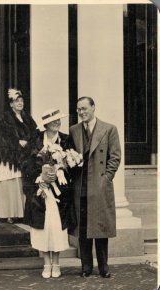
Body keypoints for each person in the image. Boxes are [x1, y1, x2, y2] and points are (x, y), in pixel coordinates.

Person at [69, 96, 121, 278]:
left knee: (100, 228)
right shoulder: (73, 131)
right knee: (83, 229)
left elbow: (115, 157)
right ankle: (86, 266)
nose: (81, 112)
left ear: (93, 107)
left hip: (99, 186)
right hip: (80, 187)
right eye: (78, 109)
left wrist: (106, 178)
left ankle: (104, 266)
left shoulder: (109, 129)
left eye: (84, 108)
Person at [22, 108, 77, 279]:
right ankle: (47, 263)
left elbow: (73, 163)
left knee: (57, 227)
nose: (57, 123)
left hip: (59, 193)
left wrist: (61, 170)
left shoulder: (66, 140)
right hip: (41, 192)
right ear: (45, 124)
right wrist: (41, 175)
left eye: (58, 120)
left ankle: (57, 263)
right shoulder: (35, 141)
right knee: (42, 228)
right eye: (53, 121)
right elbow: (25, 165)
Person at [0, 88, 37, 224]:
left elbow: (34, 133)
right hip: (10, 157)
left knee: (21, 185)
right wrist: (17, 142)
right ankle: (9, 214)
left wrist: (29, 142)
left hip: (24, 155)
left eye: (21, 100)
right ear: (11, 104)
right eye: (16, 101)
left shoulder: (27, 117)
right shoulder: (6, 118)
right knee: (10, 185)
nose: (20, 103)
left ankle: (21, 213)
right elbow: (3, 137)